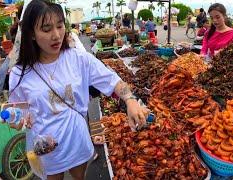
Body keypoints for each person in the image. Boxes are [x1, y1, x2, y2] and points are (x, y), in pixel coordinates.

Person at [8, 1, 149, 180]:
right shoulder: (20, 74)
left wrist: (130, 100)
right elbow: (17, 111)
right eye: (46, 29)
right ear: (31, 34)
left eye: (60, 26)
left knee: (79, 177)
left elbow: (113, 81)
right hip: (46, 148)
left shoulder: (79, 59)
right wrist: (18, 120)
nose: (56, 35)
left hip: (77, 141)